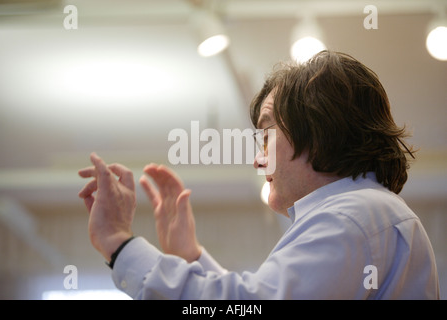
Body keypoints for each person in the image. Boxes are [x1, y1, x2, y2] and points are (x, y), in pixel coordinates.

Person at [78, 51, 439, 299]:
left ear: (317, 130)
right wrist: (191, 258)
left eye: (266, 136)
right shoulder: (367, 216)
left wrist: (117, 242)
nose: (257, 159)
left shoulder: (351, 218)